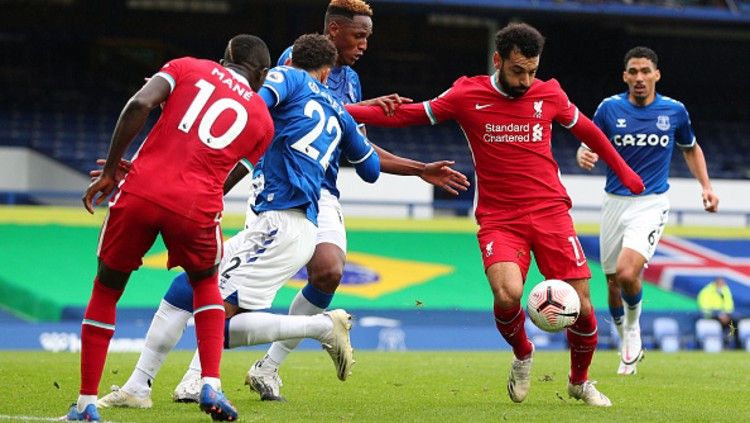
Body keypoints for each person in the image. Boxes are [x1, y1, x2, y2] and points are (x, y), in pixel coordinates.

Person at [346, 22, 646, 407]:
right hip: (500, 217)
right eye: (517, 70)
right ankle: (523, 353)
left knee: (584, 308)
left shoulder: (549, 93)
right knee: (508, 296)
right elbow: (407, 115)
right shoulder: (466, 94)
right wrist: (344, 110)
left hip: (551, 212)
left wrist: (624, 171)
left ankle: (579, 381)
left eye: (532, 71)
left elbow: (590, 132)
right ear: (498, 59)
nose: (525, 80)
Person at [96, 33, 380, 409]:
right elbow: (372, 170)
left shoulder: (288, 77)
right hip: (296, 225)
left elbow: (249, 104)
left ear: (291, 61)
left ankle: (321, 326)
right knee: (187, 293)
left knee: (216, 323)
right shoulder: (340, 112)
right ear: (328, 73)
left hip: (280, 221)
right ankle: (138, 386)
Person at [241, 0, 469, 402]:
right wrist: (361, 109)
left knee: (329, 272)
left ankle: (267, 368)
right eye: (358, 35)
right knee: (245, 290)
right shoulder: (295, 60)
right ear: (333, 32)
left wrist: (418, 169)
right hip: (282, 186)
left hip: (323, 190)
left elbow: (354, 143)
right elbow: (305, 111)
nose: (364, 44)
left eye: (368, 36)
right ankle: (197, 376)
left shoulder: (352, 80)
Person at [66, 34, 274, 421]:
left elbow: (139, 103)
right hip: (196, 205)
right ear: (262, 74)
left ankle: (86, 404)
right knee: (206, 283)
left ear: (225, 56)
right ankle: (210, 382)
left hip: (142, 190)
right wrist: (196, 194)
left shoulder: (187, 67)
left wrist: (111, 171)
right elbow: (230, 177)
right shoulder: (263, 121)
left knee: (107, 288)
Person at [575, 46, 720, 374]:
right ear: (625, 76)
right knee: (612, 282)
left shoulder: (675, 111)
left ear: (657, 75)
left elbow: (691, 149)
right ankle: (622, 333)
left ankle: (633, 330)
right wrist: (583, 154)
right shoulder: (609, 109)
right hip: (614, 202)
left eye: (645, 71)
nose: (639, 78)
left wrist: (707, 187)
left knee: (628, 272)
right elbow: (589, 141)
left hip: (651, 202)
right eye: (633, 72)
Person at [697, 277, 738, 348]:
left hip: (725, 316)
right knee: (722, 324)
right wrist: (718, 314)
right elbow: (704, 307)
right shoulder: (706, 291)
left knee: (734, 324)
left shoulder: (725, 290)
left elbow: (729, 305)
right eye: (721, 284)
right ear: (716, 283)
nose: (722, 285)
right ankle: (723, 343)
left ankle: (733, 343)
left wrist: (726, 314)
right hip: (710, 316)